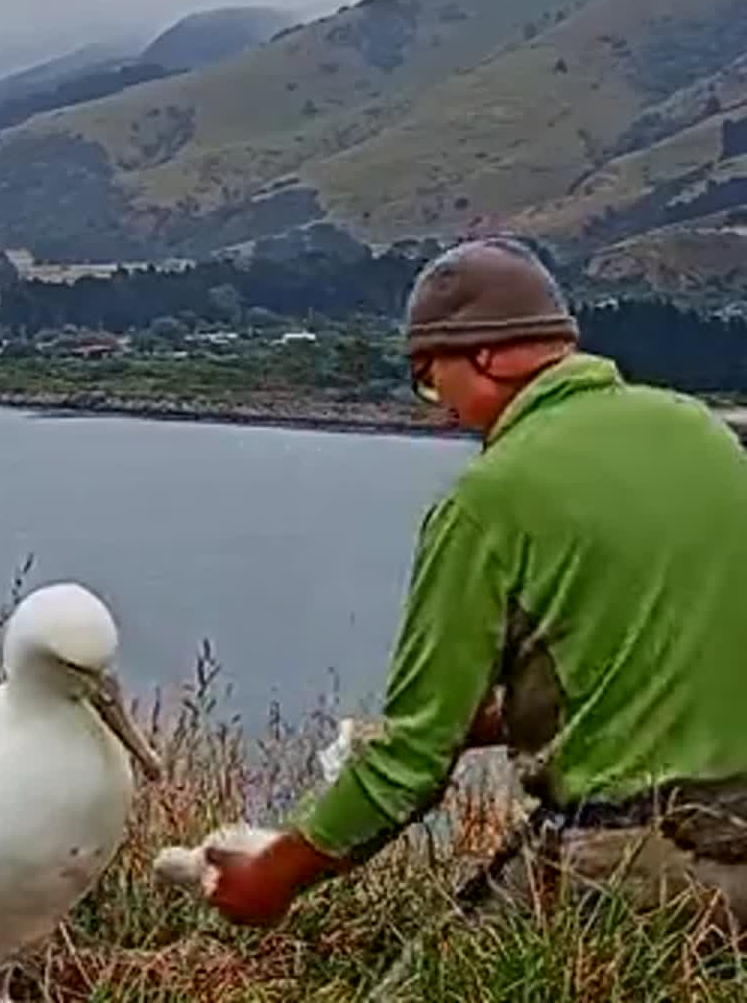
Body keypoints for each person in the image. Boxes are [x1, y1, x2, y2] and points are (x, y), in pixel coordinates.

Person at [205, 237, 747, 931]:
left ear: (486, 354)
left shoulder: (487, 500)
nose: (443, 410)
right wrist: (475, 725)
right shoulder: (700, 431)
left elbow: (408, 766)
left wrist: (272, 875)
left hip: (639, 855)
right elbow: (641, 669)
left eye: (431, 378)